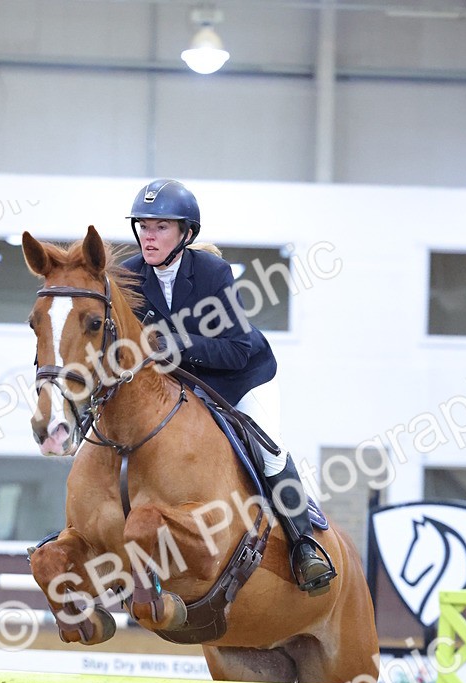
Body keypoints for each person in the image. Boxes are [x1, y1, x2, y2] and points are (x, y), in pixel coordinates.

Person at [122, 178, 335, 595]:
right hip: (181, 386)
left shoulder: (212, 273)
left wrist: (176, 345)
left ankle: (304, 545)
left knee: (269, 450)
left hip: (241, 377)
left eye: (161, 227)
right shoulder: (129, 276)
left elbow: (236, 350)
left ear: (186, 233)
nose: (149, 236)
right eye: (144, 226)